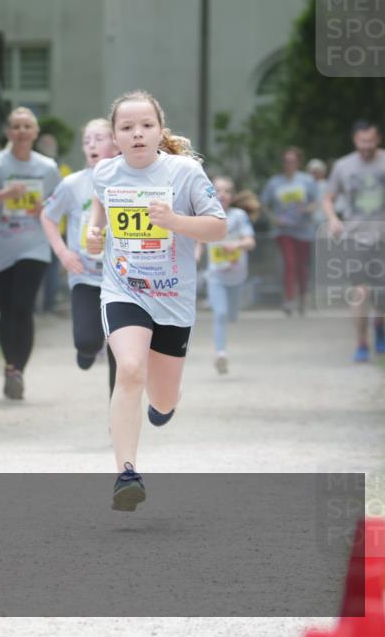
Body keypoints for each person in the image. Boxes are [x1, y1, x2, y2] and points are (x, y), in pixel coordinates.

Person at [85, 89, 226, 511]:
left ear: (160, 130)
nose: (138, 134)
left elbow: (218, 228)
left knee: (162, 397)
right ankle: (126, 473)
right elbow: (100, 211)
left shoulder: (184, 173)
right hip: (124, 289)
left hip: (173, 298)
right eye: (127, 128)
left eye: (146, 125)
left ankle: (165, 405)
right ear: (115, 136)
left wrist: (175, 221)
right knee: (129, 370)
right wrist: (95, 234)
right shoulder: (106, 174)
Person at [0, 106, 62, 399]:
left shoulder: (48, 168)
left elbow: (59, 207)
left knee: (23, 306)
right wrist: (3, 195)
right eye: (16, 126)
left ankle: (16, 370)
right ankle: (10, 365)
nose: (21, 131)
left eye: (26, 126)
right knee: (8, 310)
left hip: (34, 246)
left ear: (35, 132)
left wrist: (45, 209)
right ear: (9, 132)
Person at [42, 118, 118, 394]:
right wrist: (62, 252)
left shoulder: (130, 181)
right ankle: (88, 350)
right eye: (87, 140)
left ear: (116, 143)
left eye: (99, 138)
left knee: (121, 354)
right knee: (88, 341)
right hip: (85, 275)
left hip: (122, 278)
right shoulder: (73, 184)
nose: (91, 145)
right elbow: (47, 216)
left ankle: (117, 418)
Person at [322, 120, 385, 362]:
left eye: (370, 141)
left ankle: (379, 327)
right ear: (355, 140)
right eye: (362, 141)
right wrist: (332, 219)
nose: (366, 146)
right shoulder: (343, 166)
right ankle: (361, 341)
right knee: (360, 291)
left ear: (377, 139)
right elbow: (328, 198)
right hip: (355, 237)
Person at [195, 176, 256, 375]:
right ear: (210, 193)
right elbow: (199, 241)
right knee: (219, 314)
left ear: (232, 195)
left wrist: (236, 245)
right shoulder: (207, 215)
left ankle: (223, 341)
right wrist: (195, 257)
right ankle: (220, 354)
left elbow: (250, 241)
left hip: (238, 276)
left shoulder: (239, 216)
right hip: (216, 277)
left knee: (231, 316)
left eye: (227, 191)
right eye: (217, 190)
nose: (222, 194)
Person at [260, 147, 320, 315]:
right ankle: (289, 299)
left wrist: (307, 209)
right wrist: (273, 218)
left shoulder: (307, 181)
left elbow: (318, 202)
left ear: (298, 162)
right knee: (289, 263)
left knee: (302, 266)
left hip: (304, 230)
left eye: (292, 161)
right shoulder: (275, 182)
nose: (289, 164)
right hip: (283, 230)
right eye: (286, 161)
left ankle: (303, 295)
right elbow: (264, 203)